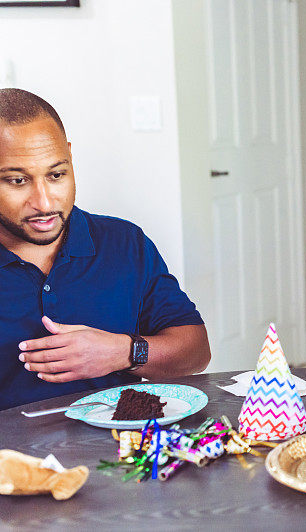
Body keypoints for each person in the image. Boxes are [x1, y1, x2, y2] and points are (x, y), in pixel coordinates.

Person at [0, 88, 211, 410]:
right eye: (17, 181)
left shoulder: (123, 242)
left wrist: (123, 352)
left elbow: (195, 352)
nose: (44, 202)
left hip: (121, 452)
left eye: (56, 174)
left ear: (70, 157)